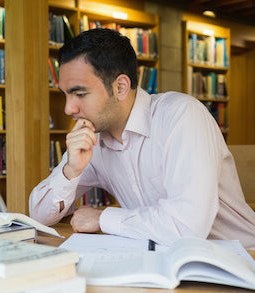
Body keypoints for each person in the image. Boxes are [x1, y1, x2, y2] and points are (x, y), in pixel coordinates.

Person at [29, 28, 255, 249]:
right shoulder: (92, 142)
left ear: (120, 87)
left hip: (240, 260)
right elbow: (38, 216)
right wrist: (71, 170)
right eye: (65, 95)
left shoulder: (182, 116)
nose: (69, 108)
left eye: (80, 94)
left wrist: (102, 218)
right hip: (163, 259)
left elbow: (187, 227)